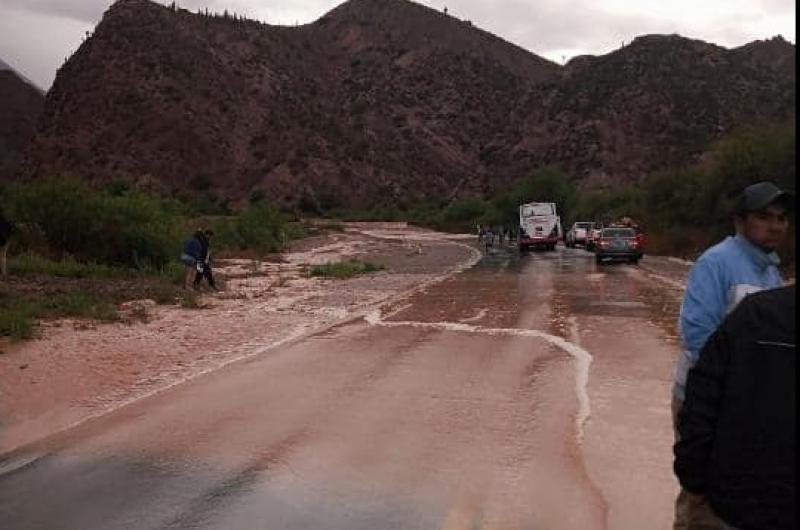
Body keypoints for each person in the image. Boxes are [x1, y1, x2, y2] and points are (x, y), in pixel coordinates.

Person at [672, 181, 793, 529]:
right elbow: (697, 334)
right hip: (703, 399)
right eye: (764, 217)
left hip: (747, 402)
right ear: (740, 222)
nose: (775, 225)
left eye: (782, 218)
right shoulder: (718, 262)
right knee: (700, 490)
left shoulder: (770, 270)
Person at [675, 284, 795, 530]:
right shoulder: (753, 312)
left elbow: (702, 399)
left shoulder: (755, 313)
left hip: (736, 504)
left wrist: (694, 479)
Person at [0, 208, 14, 277]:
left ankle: (3, 272)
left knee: (2, 256)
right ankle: (3, 272)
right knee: (3, 256)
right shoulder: (5, 220)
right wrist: (8, 237)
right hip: (5, 240)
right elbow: (10, 229)